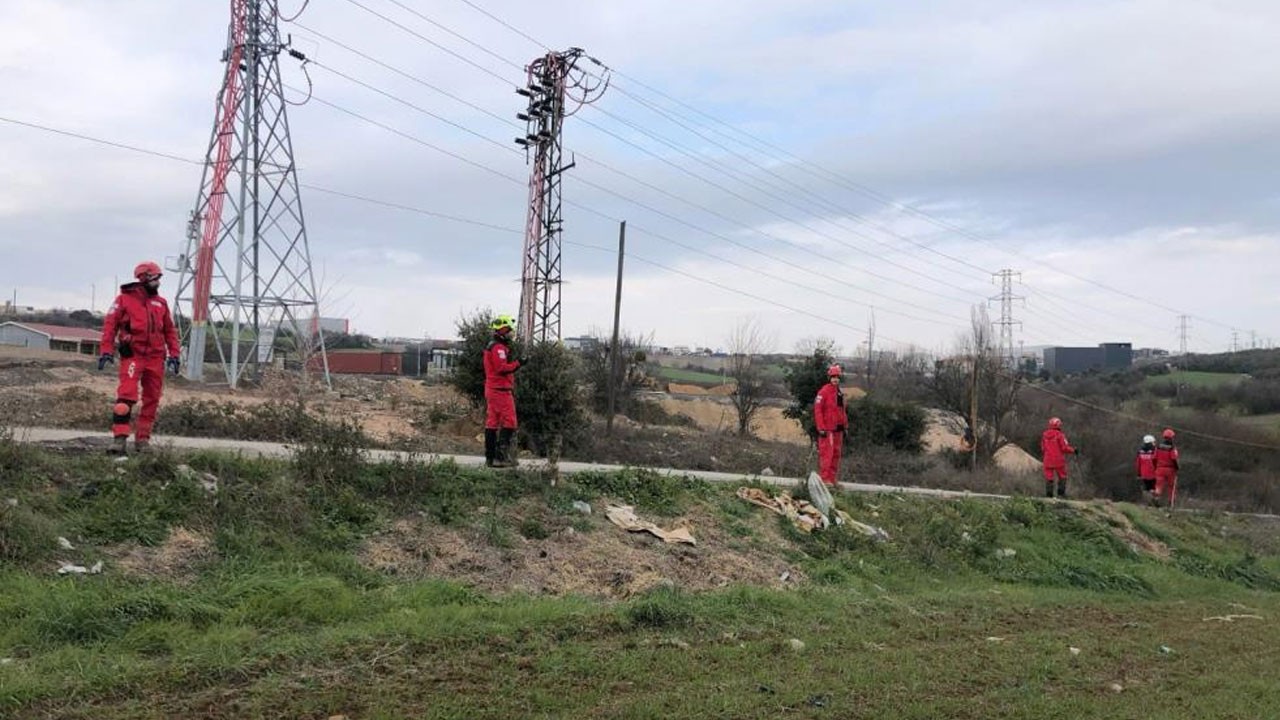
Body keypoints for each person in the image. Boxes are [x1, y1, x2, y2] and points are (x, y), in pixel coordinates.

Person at [98, 261, 180, 454]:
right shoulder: (123, 300)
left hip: (156, 358)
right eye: (155, 278)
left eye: (159, 278)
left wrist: (174, 354)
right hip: (133, 356)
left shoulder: (161, 303)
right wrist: (106, 350)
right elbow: (110, 326)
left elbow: (170, 330)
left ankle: (142, 441)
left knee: (152, 399)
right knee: (125, 397)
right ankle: (119, 440)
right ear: (143, 278)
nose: (158, 282)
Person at [482, 314, 523, 467]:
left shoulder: (493, 346)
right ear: (503, 330)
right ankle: (500, 456)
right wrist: (519, 363)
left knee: (492, 422)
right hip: (500, 390)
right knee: (510, 422)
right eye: (510, 330)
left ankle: (490, 457)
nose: (512, 333)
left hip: (493, 388)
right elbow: (501, 368)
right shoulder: (498, 348)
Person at [813, 364, 848, 486]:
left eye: (837, 377)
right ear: (829, 377)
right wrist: (821, 427)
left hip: (838, 429)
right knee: (827, 453)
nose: (835, 379)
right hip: (828, 429)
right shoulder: (823, 392)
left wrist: (845, 425)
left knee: (836, 454)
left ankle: (832, 479)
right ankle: (824, 478)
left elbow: (842, 411)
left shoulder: (840, 392)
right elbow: (818, 410)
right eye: (833, 376)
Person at [1040, 416, 1078, 498]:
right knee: (1062, 476)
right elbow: (1064, 448)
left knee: (1049, 477)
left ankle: (1049, 495)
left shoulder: (1044, 435)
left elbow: (1043, 448)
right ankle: (1061, 494)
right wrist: (1073, 450)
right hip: (1058, 459)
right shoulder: (1060, 435)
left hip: (1047, 459)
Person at [1153, 428, 1180, 508]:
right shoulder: (1172, 448)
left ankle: (1156, 498)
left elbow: (1154, 458)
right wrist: (1177, 467)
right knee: (1171, 487)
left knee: (1158, 485)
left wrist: (1155, 467)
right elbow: (1174, 459)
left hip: (1159, 469)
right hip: (1170, 469)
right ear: (1172, 437)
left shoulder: (1158, 447)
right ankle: (1171, 503)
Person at [1135, 434, 1158, 504]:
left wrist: (1139, 473)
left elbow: (1138, 463)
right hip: (1153, 473)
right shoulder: (1155, 451)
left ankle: (1146, 502)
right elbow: (1157, 462)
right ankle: (1154, 502)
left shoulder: (1140, 452)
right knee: (1154, 488)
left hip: (1144, 473)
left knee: (1146, 488)